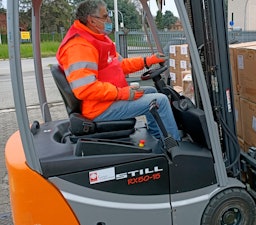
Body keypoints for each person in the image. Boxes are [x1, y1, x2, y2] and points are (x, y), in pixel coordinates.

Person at [56, 0, 180, 141]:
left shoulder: (98, 40)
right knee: (160, 101)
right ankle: (176, 150)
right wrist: (122, 93)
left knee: (152, 92)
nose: (109, 19)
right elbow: (85, 88)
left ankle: (158, 136)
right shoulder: (80, 46)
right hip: (99, 108)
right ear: (92, 20)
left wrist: (148, 61)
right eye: (105, 16)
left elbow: (120, 65)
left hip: (107, 100)